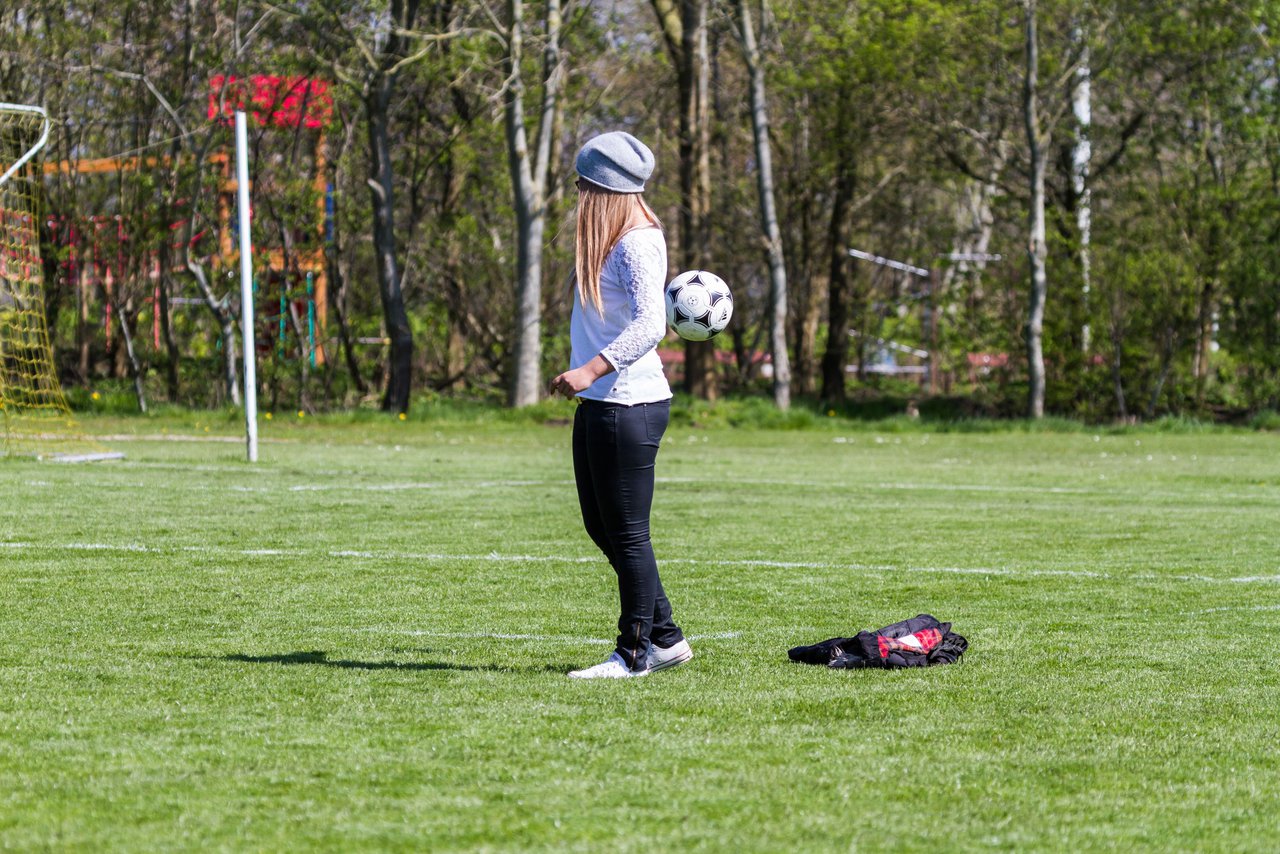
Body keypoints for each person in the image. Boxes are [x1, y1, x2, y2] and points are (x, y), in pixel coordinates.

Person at [549, 131, 693, 679]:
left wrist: (590, 368)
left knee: (629, 533)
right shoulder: (612, 240)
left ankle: (634, 654)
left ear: (602, 189)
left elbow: (652, 323)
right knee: (600, 525)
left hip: (628, 405)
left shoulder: (637, 240)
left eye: (583, 186)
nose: (579, 196)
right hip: (600, 403)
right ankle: (665, 636)